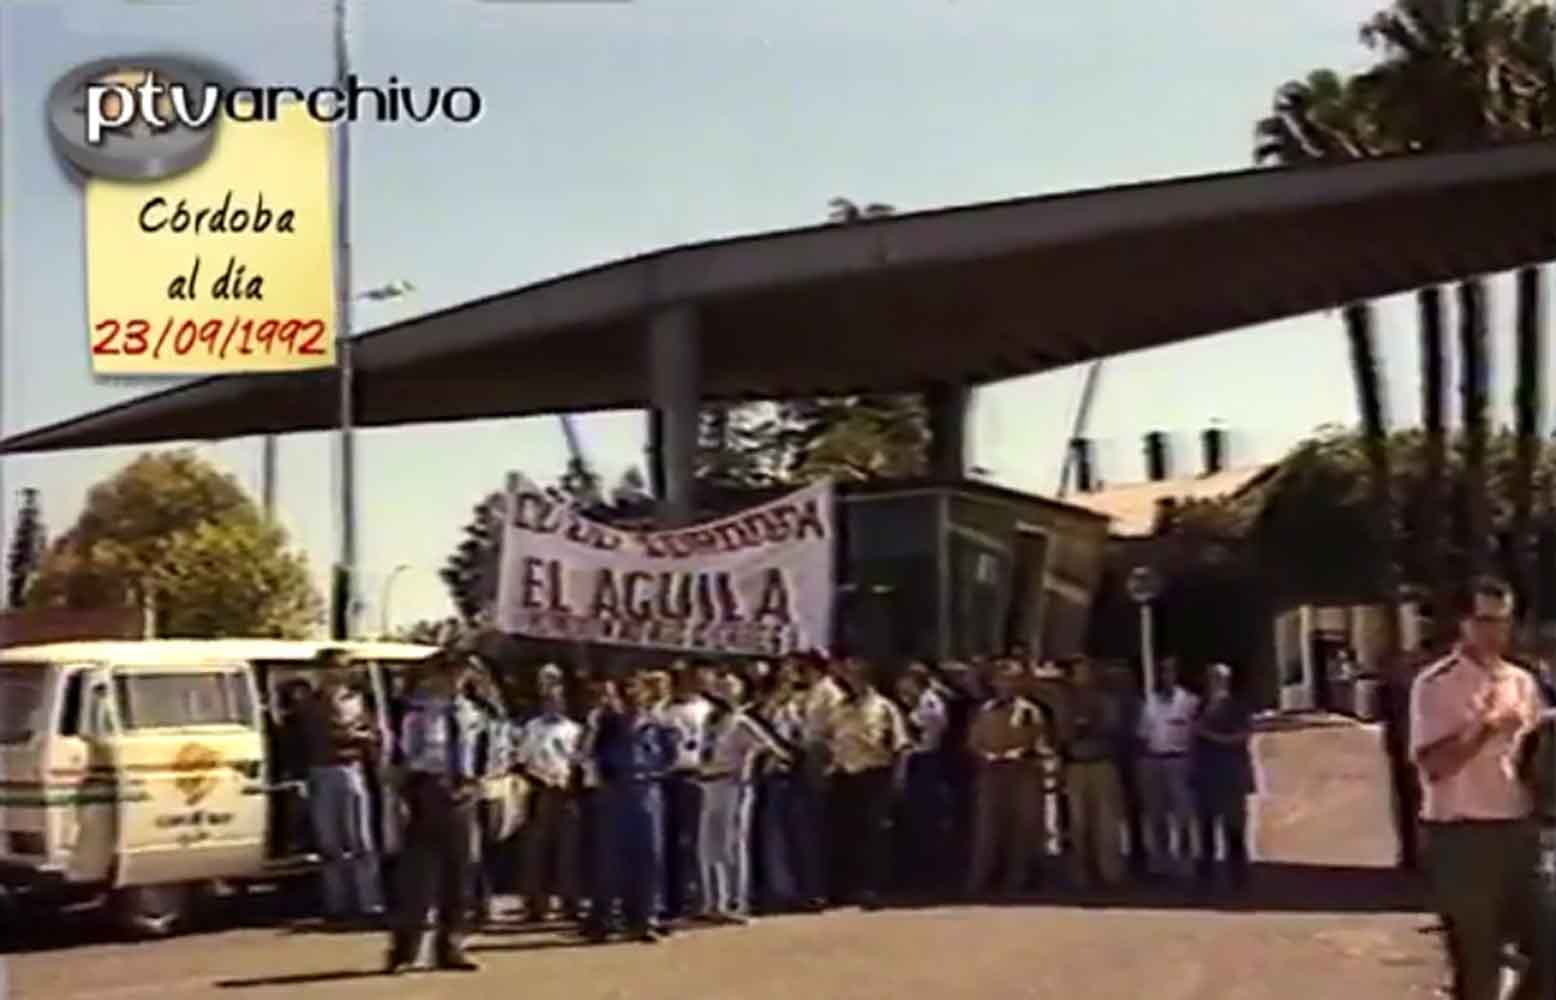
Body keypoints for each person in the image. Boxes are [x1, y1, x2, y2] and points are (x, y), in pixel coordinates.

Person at [1410, 576, 1549, 1000]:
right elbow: (1434, 766)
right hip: (1463, 837)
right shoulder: (1437, 684)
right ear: (1464, 623)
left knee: (1548, 949)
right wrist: (1486, 727)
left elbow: (1537, 757)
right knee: (1479, 965)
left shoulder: (1522, 681)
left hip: (1519, 832)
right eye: (1485, 620)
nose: (1495, 632)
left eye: (1503, 621)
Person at [386, 654, 492, 974]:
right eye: (454, 675)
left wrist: (476, 780)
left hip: (464, 792)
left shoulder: (473, 711)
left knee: (459, 873)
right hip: (429, 789)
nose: (459, 682)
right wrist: (411, 789)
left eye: (464, 676)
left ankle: (452, 945)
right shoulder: (419, 712)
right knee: (419, 874)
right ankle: (406, 949)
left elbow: (484, 748)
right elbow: (406, 755)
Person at [585, 671, 678, 943]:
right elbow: (591, 755)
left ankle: (644, 918)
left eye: (638, 690)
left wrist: (653, 772)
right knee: (609, 858)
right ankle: (604, 918)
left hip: (647, 791)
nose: (633, 696)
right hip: (615, 792)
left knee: (648, 856)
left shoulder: (658, 725)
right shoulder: (608, 724)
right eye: (627, 690)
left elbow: (670, 756)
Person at [295, 650, 385, 926]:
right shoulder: (309, 702)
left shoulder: (355, 701)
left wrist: (357, 736)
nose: (333, 674)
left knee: (359, 840)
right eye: (328, 669)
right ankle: (337, 904)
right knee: (329, 843)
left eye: (339, 669)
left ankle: (370, 904)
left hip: (349, 769)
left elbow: (374, 735)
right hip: (320, 770)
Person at [698, 672, 790, 923]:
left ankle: (736, 902)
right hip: (708, 783)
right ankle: (713, 901)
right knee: (708, 846)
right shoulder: (712, 720)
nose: (721, 690)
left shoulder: (744, 722)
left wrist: (752, 765)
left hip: (733, 784)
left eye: (728, 686)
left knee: (732, 844)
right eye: (719, 686)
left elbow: (776, 751)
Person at [826, 655, 910, 909]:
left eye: (857, 675)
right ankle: (844, 887)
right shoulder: (841, 707)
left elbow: (901, 745)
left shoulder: (884, 708)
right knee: (844, 832)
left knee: (873, 834)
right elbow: (831, 738)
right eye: (849, 676)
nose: (853, 680)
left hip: (874, 774)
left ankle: (871, 888)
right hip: (845, 773)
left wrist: (898, 779)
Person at [965, 660, 1047, 899]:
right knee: (987, 829)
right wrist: (985, 755)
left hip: (1021, 774)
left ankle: (1016, 880)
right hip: (990, 775)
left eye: (1012, 680)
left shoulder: (1030, 711)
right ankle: (979, 880)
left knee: (1021, 829)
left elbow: (1040, 741)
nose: (1007, 685)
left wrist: (1021, 752)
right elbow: (973, 742)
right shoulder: (984, 711)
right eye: (1002, 680)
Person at [516, 678, 583, 924]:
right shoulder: (532, 728)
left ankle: (570, 903)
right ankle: (536, 904)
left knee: (568, 851)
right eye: (549, 699)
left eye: (558, 698)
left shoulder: (575, 730)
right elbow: (522, 758)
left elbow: (579, 761)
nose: (553, 703)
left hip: (566, 792)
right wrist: (537, 778)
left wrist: (570, 781)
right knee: (535, 851)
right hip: (539, 789)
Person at [1061, 656, 1127, 889]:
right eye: (1077, 671)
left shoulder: (1106, 701)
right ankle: (1081, 873)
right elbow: (1062, 733)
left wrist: (1086, 725)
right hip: (1075, 765)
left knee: (1106, 822)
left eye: (1086, 671)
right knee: (1078, 822)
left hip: (1101, 763)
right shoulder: (1066, 702)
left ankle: (1110, 873)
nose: (1082, 676)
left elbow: (1111, 728)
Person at [657, 662, 713, 923]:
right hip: (667, 777)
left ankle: (692, 898)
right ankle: (669, 899)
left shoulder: (706, 709)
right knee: (667, 841)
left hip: (694, 776)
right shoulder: (663, 709)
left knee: (689, 840)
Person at [1191, 662, 1254, 890]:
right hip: (1206, 775)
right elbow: (1192, 735)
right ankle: (1205, 880)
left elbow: (1243, 736)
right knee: (1205, 830)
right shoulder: (1201, 706)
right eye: (1212, 678)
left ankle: (1238, 878)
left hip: (1231, 776)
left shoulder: (1238, 707)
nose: (1216, 682)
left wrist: (1209, 735)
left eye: (1220, 678)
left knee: (1234, 829)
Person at [1137, 657, 1200, 878]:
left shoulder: (1189, 702)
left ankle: (1186, 862)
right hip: (1154, 761)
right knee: (1156, 815)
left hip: (1179, 761)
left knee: (1182, 816)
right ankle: (1159, 862)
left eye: (1170, 672)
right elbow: (1143, 735)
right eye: (1162, 672)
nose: (1166, 676)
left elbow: (1195, 735)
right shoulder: (1150, 702)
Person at [894, 663, 950, 897]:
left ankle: (928, 876)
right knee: (913, 818)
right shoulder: (917, 703)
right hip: (917, 761)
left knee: (925, 818)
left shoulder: (929, 704)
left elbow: (922, 734)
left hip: (926, 761)